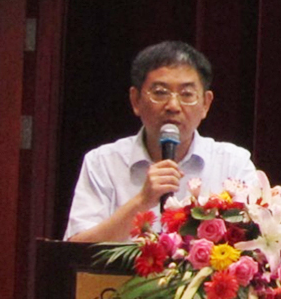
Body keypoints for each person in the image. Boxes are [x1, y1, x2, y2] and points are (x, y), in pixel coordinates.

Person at [64, 41, 258, 242]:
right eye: (160, 93)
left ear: (205, 104)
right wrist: (142, 201)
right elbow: (76, 249)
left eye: (187, 94)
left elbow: (257, 244)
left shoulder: (233, 164)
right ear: (135, 100)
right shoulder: (103, 162)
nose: (173, 105)